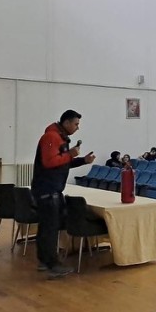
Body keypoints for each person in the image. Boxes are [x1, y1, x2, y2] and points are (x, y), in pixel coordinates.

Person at [32, 110, 95, 279]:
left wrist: (83, 160)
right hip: (47, 190)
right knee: (50, 228)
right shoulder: (51, 137)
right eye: (76, 124)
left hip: (52, 189)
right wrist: (70, 155)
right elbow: (49, 162)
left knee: (48, 227)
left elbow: (62, 163)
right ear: (66, 122)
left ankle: (45, 261)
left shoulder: (60, 138)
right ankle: (52, 264)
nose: (77, 127)